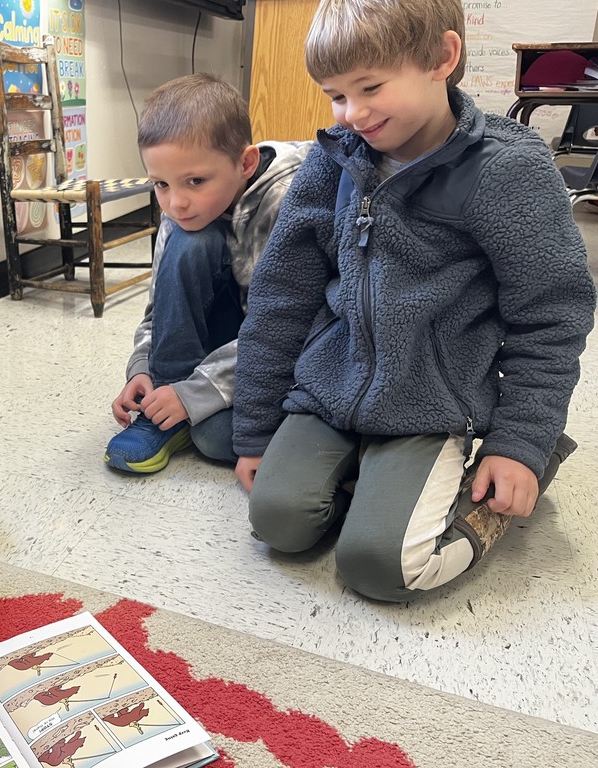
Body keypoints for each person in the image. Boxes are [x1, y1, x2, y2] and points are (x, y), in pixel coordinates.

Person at [233, 0, 596, 602]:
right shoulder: (332, 160)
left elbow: (552, 317)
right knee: (277, 523)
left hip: (432, 403)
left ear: (442, 58)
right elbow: (280, 298)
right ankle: (371, 482)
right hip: (330, 389)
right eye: (335, 95)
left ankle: (500, 472)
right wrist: (254, 429)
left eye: (371, 86)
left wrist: (519, 444)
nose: (352, 113)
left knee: (379, 566)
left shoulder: (510, 170)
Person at [105, 73, 310, 474]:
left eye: (195, 181)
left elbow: (284, 330)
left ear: (246, 163)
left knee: (215, 437)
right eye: (160, 184)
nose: (176, 202)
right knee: (189, 240)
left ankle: (182, 406)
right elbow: (158, 309)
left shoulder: (289, 201)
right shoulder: (180, 209)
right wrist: (144, 370)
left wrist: (196, 393)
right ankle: (163, 407)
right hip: (229, 344)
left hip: (279, 352)